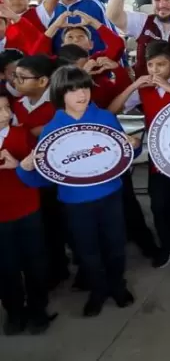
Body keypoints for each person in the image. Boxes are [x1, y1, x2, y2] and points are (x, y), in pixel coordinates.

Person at [16, 66, 136, 317]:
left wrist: (134, 146)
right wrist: (25, 168)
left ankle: (117, 286)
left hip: (110, 195)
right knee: (87, 251)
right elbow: (43, 178)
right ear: (60, 94)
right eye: (72, 90)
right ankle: (98, 291)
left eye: (84, 88)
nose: (81, 94)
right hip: (74, 202)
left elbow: (121, 157)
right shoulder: (52, 130)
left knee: (115, 246)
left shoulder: (105, 118)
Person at [107, 41, 170, 269]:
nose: (155, 70)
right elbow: (113, 110)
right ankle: (167, 244)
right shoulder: (144, 87)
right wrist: (132, 86)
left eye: (161, 65)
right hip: (157, 155)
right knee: (158, 204)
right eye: (151, 65)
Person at [0, 95, 55, 335]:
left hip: (27, 210)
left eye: (6, 108)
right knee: (6, 268)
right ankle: (14, 312)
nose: (4, 115)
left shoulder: (21, 135)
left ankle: (37, 309)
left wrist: (22, 165)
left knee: (35, 263)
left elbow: (42, 171)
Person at [41, 0, 116, 55]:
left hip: (94, 60)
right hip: (60, 63)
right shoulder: (49, 7)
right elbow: (42, 40)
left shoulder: (94, 4)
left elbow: (111, 35)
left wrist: (123, 64)